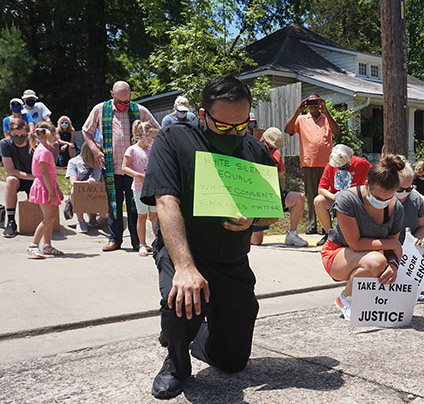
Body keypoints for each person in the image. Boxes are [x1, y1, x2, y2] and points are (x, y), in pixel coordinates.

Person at [140, 75, 278, 399]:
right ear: (203, 115)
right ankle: (176, 362)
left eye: (241, 126)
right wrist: (185, 268)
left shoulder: (256, 150)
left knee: (232, 363)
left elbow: (273, 212)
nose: (233, 133)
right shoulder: (174, 139)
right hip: (187, 253)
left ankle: (196, 331)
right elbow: (165, 201)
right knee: (181, 299)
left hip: (232, 260)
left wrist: (254, 219)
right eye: (223, 125)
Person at [320, 155, 405, 321]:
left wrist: (394, 264)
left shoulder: (397, 208)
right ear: (367, 184)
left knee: (379, 261)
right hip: (337, 253)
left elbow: (391, 249)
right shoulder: (347, 199)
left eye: (388, 198)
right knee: (377, 261)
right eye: (378, 197)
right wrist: (394, 244)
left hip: (372, 256)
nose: (383, 202)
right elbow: (356, 244)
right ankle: (345, 298)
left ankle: (362, 298)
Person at [82, 80, 160, 252]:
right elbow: (86, 130)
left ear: (131, 95)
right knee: (114, 204)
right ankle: (114, 239)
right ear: (112, 94)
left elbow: (158, 130)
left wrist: (148, 147)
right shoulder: (101, 109)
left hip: (135, 171)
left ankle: (137, 241)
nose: (124, 105)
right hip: (112, 167)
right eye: (120, 102)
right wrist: (95, 149)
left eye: (126, 101)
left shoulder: (139, 110)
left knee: (135, 206)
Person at [284, 94, 340, 234]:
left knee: (327, 195)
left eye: (316, 102)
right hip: (309, 162)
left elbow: (337, 132)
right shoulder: (302, 119)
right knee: (311, 195)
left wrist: (326, 111)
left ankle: (326, 226)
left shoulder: (326, 119)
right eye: (310, 102)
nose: (313, 105)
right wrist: (298, 110)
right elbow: (287, 130)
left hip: (327, 163)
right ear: (306, 104)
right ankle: (312, 225)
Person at [250, 127, 308, 247]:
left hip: (273, 195)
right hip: (254, 199)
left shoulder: (276, 156)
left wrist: (280, 195)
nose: (273, 150)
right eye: (271, 148)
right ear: (262, 141)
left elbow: (281, 178)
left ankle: (292, 234)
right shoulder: (251, 153)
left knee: (299, 198)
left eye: (275, 148)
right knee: (256, 241)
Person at [315, 144, 372, 246]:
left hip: (357, 200)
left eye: (344, 166)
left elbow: (374, 178)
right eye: (338, 167)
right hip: (336, 198)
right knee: (318, 200)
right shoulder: (330, 166)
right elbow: (321, 189)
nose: (341, 168)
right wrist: (333, 196)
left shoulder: (361, 163)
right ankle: (330, 234)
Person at [26, 124, 64, 258]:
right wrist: (52, 192)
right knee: (49, 217)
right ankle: (33, 245)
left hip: (48, 185)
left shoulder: (46, 150)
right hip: (44, 186)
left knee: (51, 217)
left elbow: (52, 174)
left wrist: (57, 189)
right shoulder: (43, 151)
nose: (55, 137)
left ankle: (47, 245)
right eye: (54, 134)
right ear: (45, 135)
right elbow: (44, 173)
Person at [122, 120, 159, 256]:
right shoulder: (132, 150)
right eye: (152, 137)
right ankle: (142, 244)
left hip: (154, 188)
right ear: (143, 135)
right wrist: (137, 175)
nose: (153, 140)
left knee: (155, 216)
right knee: (142, 217)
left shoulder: (153, 149)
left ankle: (157, 242)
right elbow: (124, 167)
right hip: (139, 188)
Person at [1, 119, 34, 238]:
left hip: (35, 179)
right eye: (15, 135)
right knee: (11, 180)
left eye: (22, 135)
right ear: (10, 133)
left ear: (27, 133)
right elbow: (10, 170)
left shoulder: (35, 143)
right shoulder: (5, 144)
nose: (19, 138)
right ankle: (11, 221)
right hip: (21, 177)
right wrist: (31, 177)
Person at [65, 141, 102, 233]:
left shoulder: (99, 162)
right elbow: (73, 182)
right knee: (74, 190)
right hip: (81, 191)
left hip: (96, 192)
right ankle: (80, 220)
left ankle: (93, 214)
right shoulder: (73, 162)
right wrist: (86, 183)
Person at [396, 157, 424, 245]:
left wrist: (417, 238)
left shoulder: (415, 199)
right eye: (400, 189)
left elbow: (422, 226)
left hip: (408, 249)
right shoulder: (382, 200)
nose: (404, 193)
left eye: (408, 189)